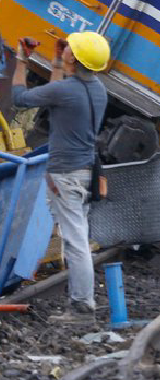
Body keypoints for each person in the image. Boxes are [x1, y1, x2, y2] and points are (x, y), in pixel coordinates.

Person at [11, 31, 110, 324]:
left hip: (66, 176)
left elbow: (19, 99)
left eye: (70, 48)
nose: (66, 47)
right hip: (84, 173)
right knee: (75, 238)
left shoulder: (67, 91)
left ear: (75, 59)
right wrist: (56, 62)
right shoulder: (97, 89)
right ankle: (81, 302)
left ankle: (82, 308)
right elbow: (58, 93)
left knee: (76, 242)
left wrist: (20, 60)